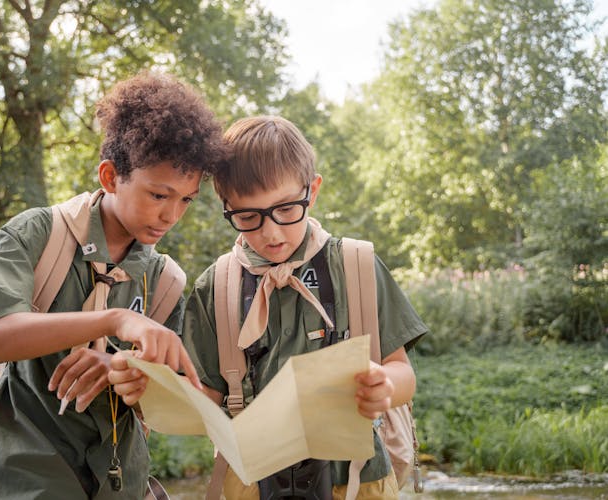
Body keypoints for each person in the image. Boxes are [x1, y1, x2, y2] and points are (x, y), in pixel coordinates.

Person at [112, 115, 427, 499]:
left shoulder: (355, 265)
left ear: (312, 192)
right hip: (250, 482)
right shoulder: (217, 286)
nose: (271, 232)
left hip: (356, 480)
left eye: (286, 209)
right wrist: (153, 389)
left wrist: (384, 385)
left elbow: (403, 375)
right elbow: (208, 397)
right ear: (226, 207)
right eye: (248, 217)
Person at [0, 72, 228, 500]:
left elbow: (166, 398)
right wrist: (115, 319)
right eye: (158, 195)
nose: (172, 215)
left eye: (186, 199)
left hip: (121, 483)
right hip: (20, 474)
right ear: (109, 176)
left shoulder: (166, 280)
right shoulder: (36, 234)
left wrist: (125, 372)